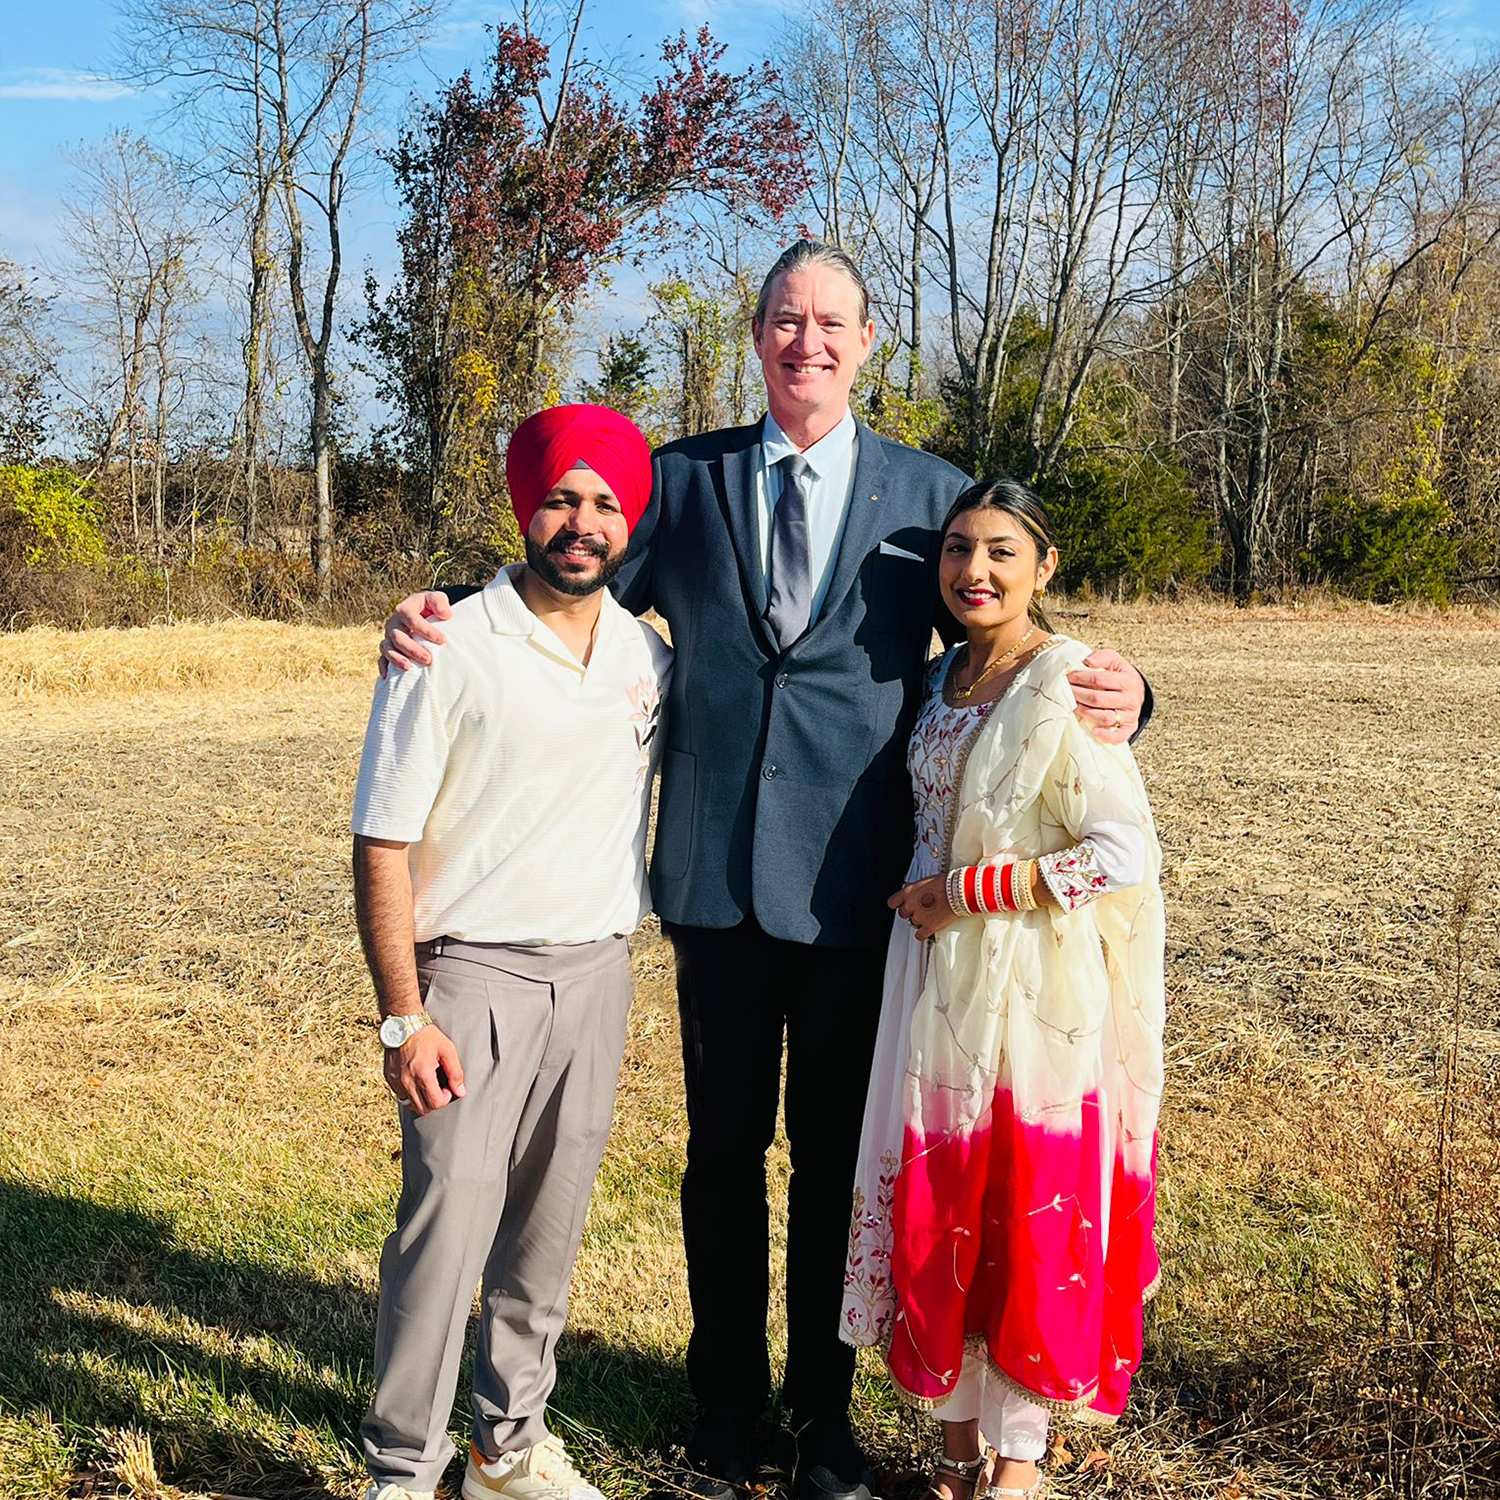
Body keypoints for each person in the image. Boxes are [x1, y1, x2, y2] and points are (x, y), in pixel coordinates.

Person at [378, 241, 1152, 1500]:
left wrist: (1134, 689)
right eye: (786, 319)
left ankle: (821, 1419)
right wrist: (441, 606)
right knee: (722, 1157)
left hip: (861, 890)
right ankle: (725, 1406)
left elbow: (1010, 634)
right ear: (757, 335)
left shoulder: (928, 494)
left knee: (839, 1161)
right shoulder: (683, 482)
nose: (809, 341)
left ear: (865, 340)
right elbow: (562, 581)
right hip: (715, 882)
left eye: (831, 321)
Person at [351, 405, 673, 1500]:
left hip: (595, 970)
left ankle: (509, 1447)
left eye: (604, 504)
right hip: (471, 973)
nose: (580, 524)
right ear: (522, 508)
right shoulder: (446, 643)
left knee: (549, 1226)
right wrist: (406, 1014)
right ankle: (403, 1466)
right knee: (445, 1233)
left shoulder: (645, 653)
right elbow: (381, 840)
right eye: (559, 499)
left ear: (629, 522)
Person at [842, 479, 1165, 1500]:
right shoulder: (937, 683)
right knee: (945, 1202)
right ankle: (950, 1452)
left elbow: (1121, 849)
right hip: (931, 977)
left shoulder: (1066, 680)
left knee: (1024, 1201)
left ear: (1045, 567)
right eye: (954, 551)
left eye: (999, 552)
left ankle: (1016, 1464)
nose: (972, 572)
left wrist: (969, 890)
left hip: (1031, 982)